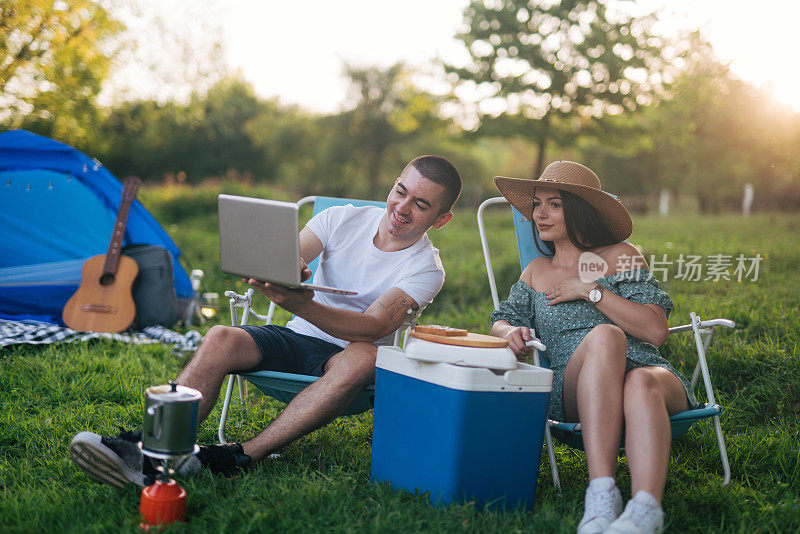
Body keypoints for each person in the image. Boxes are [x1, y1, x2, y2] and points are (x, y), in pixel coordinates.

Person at [69, 155, 462, 487]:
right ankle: (152, 452)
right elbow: (292, 257)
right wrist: (285, 270)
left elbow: (375, 328)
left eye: (421, 205)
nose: (402, 207)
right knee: (222, 336)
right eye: (400, 191)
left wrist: (299, 303)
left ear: (441, 219)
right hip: (297, 340)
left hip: (347, 363)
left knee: (364, 355)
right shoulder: (342, 218)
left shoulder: (426, 269)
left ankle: (237, 457)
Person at [490, 161, 695, 534]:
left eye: (554, 204)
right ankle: (602, 494)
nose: (540, 214)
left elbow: (656, 331)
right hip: (575, 384)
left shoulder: (621, 254)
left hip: (645, 371)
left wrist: (589, 289)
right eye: (537, 203)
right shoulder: (536, 270)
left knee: (639, 382)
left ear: (581, 210)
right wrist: (509, 331)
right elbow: (502, 317)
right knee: (606, 336)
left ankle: (646, 510)